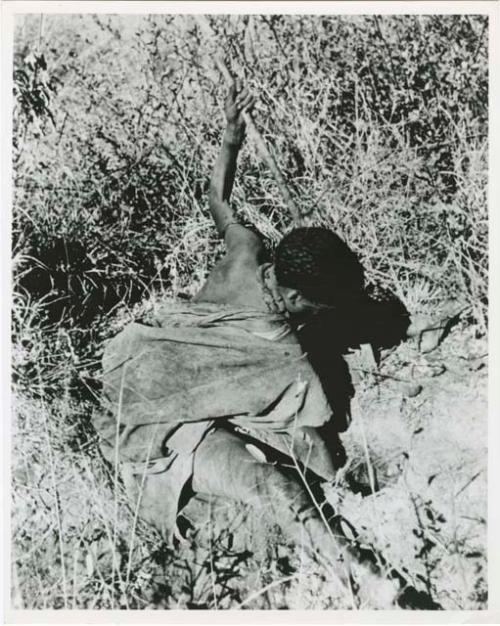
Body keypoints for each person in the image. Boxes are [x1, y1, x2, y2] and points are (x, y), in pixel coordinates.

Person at [95, 81, 449, 608]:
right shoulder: (287, 357)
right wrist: (347, 474)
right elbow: (321, 453)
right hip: (153, 433)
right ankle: (365, 581)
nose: (336, 315)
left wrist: (230, 139)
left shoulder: (247, 251)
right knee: (281, 486)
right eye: (329, 307)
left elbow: (219, 199)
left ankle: (368, 578)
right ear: (300, 298)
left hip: (139, 378)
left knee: (271, 484)